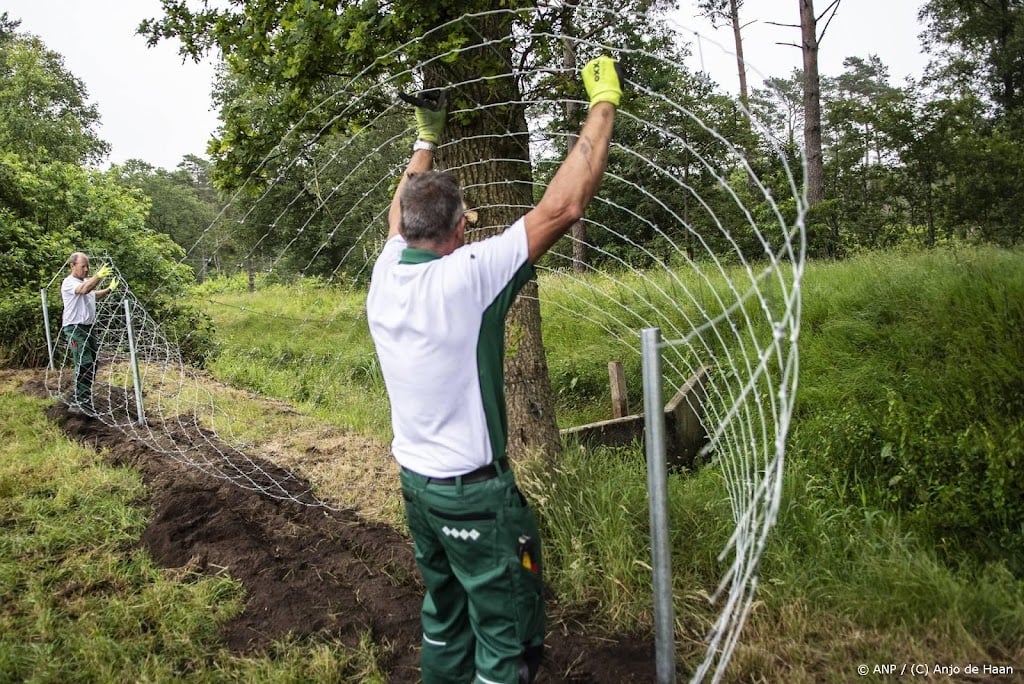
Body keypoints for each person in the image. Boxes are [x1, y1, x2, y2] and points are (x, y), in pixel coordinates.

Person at [366, 56, 621, 684]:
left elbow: (398, 216)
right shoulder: (467, 276)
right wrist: (602, 105)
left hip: (419, 486)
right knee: (507, 635)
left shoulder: (383, 272)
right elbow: (561, 208)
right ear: (458, 229)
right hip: (474, 495)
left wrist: (424, 140)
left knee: (444, 619)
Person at [60, 252, 118, 412]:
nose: (86, 270)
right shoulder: (69, 283)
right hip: (75, 328)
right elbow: (85, 290)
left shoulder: (85, 282)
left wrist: (109, 289)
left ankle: (79, 396)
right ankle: (81, 402)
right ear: (72, 266)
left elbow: (93, 294)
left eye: (88, 267)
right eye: (82, 266)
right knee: (84, 361)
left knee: (92, 362)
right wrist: (98, 275)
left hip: (88, 327)